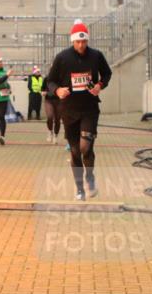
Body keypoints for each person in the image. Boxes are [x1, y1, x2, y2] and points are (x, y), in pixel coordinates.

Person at [46, 19, 112, 200]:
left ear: (87, 40)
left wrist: (100, 85)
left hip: (89, 109)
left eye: (84, 41)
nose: (81, 45)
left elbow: (107, 73)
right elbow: (49, 81)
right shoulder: (62, 57)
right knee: (75, 152)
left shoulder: (96, 56)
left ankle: (90, 178)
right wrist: (57, 90)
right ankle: (80, 188)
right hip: (68, 110)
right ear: (72, 41)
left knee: (85, 147)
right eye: (78, 41)